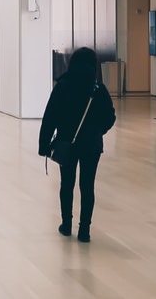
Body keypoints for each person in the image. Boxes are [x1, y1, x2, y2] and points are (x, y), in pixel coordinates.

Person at [37, 47, 116, 243]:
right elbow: (110, 117)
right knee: (87, 186)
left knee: (67, 184)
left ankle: (66, 225)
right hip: (92, 145)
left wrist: (44, 145)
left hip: (67, 143)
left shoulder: (63, 86)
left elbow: (50, 118)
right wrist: (98, 131)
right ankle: (84, 231)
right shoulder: (98, 89)